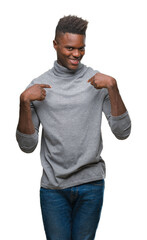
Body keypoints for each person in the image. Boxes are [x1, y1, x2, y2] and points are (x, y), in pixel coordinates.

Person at [16, 15, 131, 240]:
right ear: (55, 45)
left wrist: (113, 87)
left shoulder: (98, 81)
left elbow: (123, 132)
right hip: (53, 188)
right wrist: (23, 102)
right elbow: (27, 146)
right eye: (70, 48)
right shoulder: (37, 87)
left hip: (91, 184)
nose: (76, 54)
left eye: (81, 48)